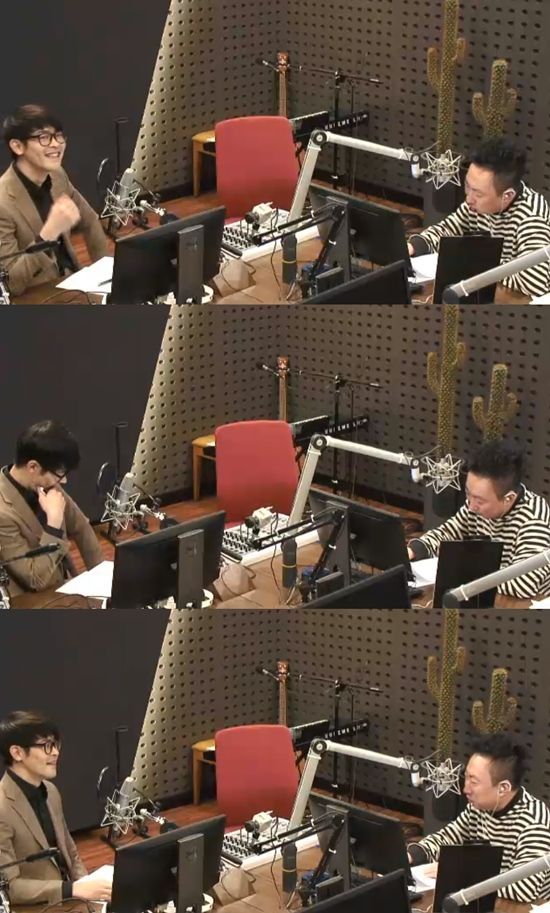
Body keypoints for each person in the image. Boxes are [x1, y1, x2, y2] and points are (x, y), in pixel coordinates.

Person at [407, 734, 550, 903]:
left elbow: (523, 889)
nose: (465, 789)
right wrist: (412, 854)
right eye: (466, 777)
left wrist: (456, 873)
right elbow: (448, 838)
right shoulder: (480, 807)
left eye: (473, 782)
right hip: (486, 899)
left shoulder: (534, 824)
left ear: (503, 788)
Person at [407, 137, 550, 299]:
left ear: (507, 196)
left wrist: (479, 264)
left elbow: (534, 284)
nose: (469, 198)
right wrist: (413, 246)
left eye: (478, 193)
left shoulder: (532, 220)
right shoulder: (475, 205)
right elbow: (448, 229)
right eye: (467, 186)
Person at [408, 440, 550, 600]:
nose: (470, 507)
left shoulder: (534, 521)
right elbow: (449, 532)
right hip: (486, 592)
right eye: (468, 493)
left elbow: (522, 586)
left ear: (509, 498)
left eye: (479, 500)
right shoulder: (475, 504)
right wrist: (415, 550)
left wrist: (462, 570)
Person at [0, 710, 112, 904]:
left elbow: (70, 851)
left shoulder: (51, 791)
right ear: (17, 753)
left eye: (55, 744)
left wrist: (91, 895)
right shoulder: (2, 807)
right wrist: (72, 889)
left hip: (70, 899)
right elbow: (11, 887)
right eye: (46, 746)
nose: (55, 752)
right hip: (38, 906)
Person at [0, 104, 107, 297]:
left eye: (58, 136)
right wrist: (48, 234)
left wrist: (106, 275)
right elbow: (11, 283)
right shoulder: (3, 201)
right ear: (17, 146)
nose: (56, 144)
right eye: (44, 137)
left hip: (72, 281)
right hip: (35, 296)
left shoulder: (57, 175)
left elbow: (90, 220)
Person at [0, 420, 103, 597]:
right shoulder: (3, 513)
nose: (64, 481)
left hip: (64, 583)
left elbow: (81, 527)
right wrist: (54, 524)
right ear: (33, 467)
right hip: (32, 599)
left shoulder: (46, 483)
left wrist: (102, 578)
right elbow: (35, 579)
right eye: (60, 474)